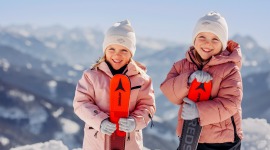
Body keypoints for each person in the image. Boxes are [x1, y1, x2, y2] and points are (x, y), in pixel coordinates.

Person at [160, 11, 243, 149]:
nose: (207, 43)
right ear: (194, 40)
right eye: (202, 36)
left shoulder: (229, 69)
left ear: (222, 44)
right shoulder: (182, 65)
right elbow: (168, 90)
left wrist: (199, 111)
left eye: (215, 39)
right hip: (190, 135)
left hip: (222, 140)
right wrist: (188, 80)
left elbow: (231, 103)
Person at [73, 20, 156, 150]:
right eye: (111, 48)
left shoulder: (142, 79)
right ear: (105, 50)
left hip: (129, 143)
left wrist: (135, 121)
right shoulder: (92, 76)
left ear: (131, 53)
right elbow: (81, 103)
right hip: (96, 143)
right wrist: (99, 121)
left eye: (124, 50)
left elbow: (148, 106)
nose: (117, 54)